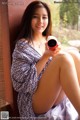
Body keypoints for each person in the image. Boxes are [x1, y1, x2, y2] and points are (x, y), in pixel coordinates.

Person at [11, 1, 80, 119]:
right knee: (63, 58)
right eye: (35, 17)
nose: (40, 22)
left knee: (73, 54)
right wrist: (45, 57)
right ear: (28, 19)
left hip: (53, 94)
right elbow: (22, 86)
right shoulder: (22, 46)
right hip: (33, 100)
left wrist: (56, 53)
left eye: (44, 17)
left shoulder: (49, 39)